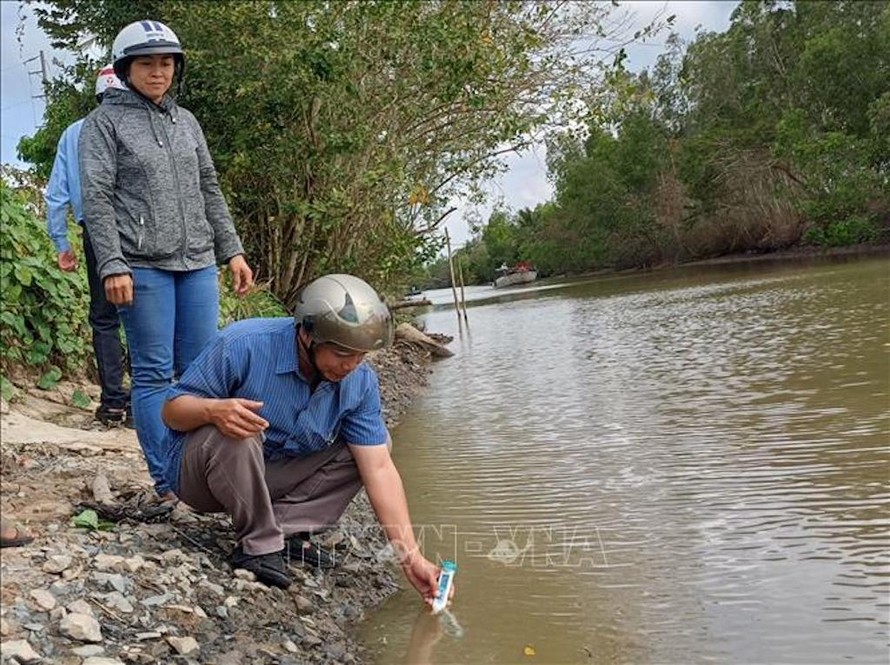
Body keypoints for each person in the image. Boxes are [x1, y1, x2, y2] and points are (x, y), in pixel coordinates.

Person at [160, 274, 444, 600]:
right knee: (239, 430)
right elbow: (172, 411)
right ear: (307, 334)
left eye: (360, 356)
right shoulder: (243, 344)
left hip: (270, 473)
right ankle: (257, 546)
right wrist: (213, 411)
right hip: (202, 477)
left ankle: (281, 531)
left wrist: (411, 559)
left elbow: (379, 468)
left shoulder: (360, 382)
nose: (351, 365)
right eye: (341, 354)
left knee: (373, 448)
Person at [79, 20, 253, 499]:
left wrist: (231, 250)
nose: (158, 72)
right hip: (143, 266)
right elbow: (96, 197)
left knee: (199, 373)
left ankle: (201, 477)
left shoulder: (187, 121)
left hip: (197, 262)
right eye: (147, 63)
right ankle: (167, 482)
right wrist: (112, 263)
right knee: (155, 375)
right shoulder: (105, 123)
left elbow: (209, 187)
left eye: (166, 62)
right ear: (126, 68)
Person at [45, 65, 132, 427]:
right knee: (144, 315)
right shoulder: (136, 126)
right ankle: (147, 402)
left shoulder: (73, 133)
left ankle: (113, 401)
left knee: (104, 317)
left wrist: (61, 243)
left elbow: (56, 194)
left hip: (96, 231)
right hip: (137, 231)